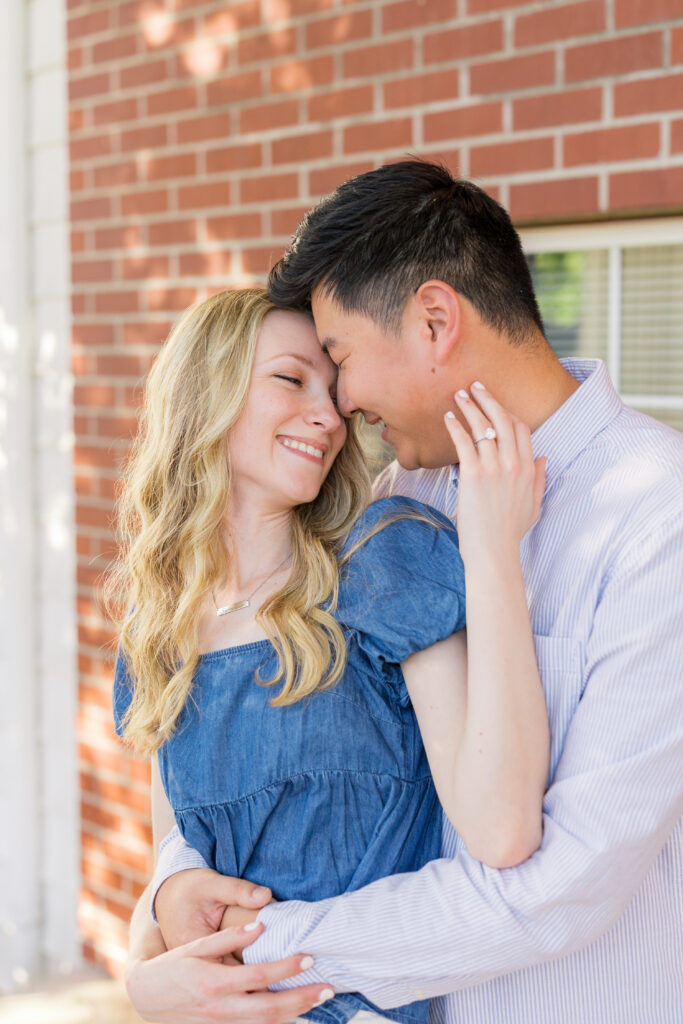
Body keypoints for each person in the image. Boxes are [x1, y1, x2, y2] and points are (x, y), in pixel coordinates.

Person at [126, 163, 683, 1023]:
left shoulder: (656, 516)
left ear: (433, 319)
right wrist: (168, 901)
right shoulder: (400, 505)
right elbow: (275, 767)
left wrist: (249, 956)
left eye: (339, 359)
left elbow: (559, 882)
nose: (340, 403)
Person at [112, 283, 550, 1024]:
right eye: (290, 379)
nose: (329, 415)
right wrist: (140, 969)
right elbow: (175, 873)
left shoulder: (385, 562)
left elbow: (501, 829)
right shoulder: (158, 636)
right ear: (202, 394)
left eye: (333, 388)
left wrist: (491, 552)